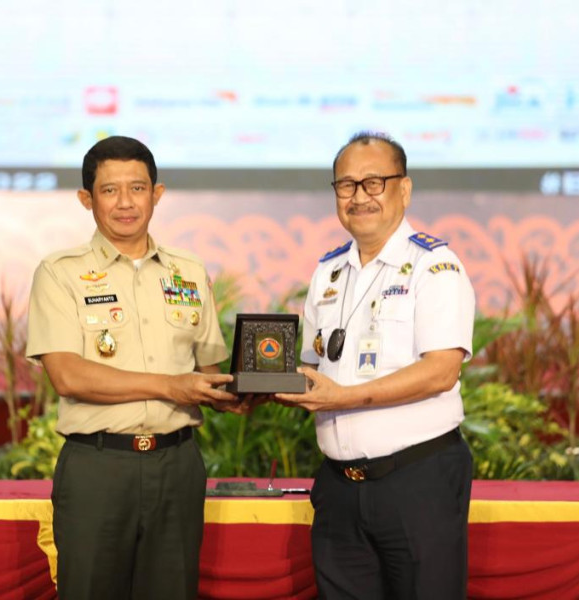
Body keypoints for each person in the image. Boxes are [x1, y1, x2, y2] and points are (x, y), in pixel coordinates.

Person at [26, 135, 239, 599]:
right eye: (110, 190)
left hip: (178, 464)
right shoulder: (60, 272)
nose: (126, 203)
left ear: (157, 194)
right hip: (99, 467)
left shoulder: (187, 271)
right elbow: (68, 375)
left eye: (138, 188)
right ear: (87, 199)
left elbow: (209, 369)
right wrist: (172, 386)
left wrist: (243, 392)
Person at [275, 131, 476, 599]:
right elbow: (313, 368)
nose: (359, 196)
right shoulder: (327, 272)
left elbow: (441, 371)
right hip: (339, 487)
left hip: (416, 482)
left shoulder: (434, 266)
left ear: (403, 189)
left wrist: (342, 396)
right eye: (346, 185)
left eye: (373, 182)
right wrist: (263, 386)